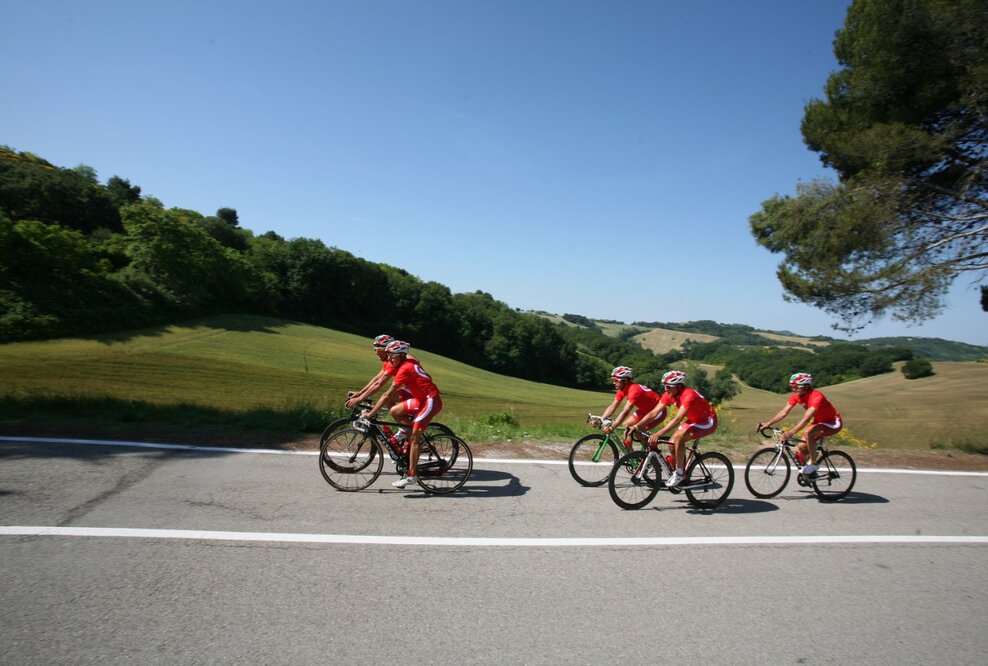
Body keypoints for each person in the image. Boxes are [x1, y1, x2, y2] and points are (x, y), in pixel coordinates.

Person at [362, 340, 443, 489]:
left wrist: (371, 413)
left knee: (414, 439)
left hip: (430, 401)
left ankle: (412, 476)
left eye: (392, 356)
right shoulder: (402, 366)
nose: (390, 358)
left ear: (401, 355)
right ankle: (405, 436)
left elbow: (387, 395)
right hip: (421, 399)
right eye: (390, 355)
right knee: (394, 411)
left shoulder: (405, 369)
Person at [630, 370, 717, 488]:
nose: (666, 389)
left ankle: (680, 474)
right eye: (664, 386)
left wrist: (658, 433)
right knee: (672, 444)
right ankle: (681, 471)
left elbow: (677, 419)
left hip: (707, 421)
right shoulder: (669, 395)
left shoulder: (689, 395)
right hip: (693, 420)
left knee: (679, 438)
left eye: (668, 387)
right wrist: (636, 426)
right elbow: (654, 413)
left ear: (679, 386)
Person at [757, 372, 842, 477]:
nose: (793, 389)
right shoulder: (796, 396)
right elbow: (784, 412)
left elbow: (806, 419)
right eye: (792, 387)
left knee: (810, 434)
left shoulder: (817, 397)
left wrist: (791, 432)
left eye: (796, 387)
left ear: (805, 387)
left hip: (832, 422)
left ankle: (814, 464)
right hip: (819, 421)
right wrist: (768, 423)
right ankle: (810, 474)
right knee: (801, 447)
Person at [596, 366, 666, 445]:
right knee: (626, 425)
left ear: (624, 380)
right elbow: (613, 406)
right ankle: (630, 454)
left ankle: (650, 451)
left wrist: (612, 427)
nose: (613, 382)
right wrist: (601, 420)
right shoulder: (622, 389)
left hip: (657, 412)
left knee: (636, 431)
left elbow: (625, 412)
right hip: (645, 411)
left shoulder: (634, 391)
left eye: (616, 380)